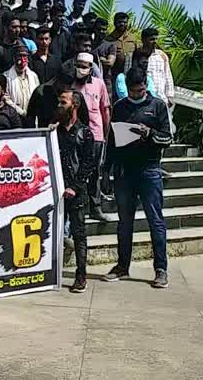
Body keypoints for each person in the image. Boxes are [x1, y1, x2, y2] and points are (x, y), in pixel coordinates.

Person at [103, 67, 172, 288]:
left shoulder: (157, 105)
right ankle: (123, 265)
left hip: (149, 170)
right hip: (124, 171)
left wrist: (150, 134)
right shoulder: (120, 107)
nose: (137, 94)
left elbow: (167, 138)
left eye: (140, 90)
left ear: (146, 86)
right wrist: (106, 171)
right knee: (124, 222)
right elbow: (111, 141)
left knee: (155, 220)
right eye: (133, 91)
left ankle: (160, 268)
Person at [53, 89, 94, 293]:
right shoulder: (54, 131)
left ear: (74, 106)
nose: (59, 106)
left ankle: (81, 276)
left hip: (75, 192)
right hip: (56, 192)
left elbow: (88, 164)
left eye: (63, 102)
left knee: (78, 234)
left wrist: (74, 187)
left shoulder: (85, 133)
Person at [72, 52, 111, 222]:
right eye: (78, 65)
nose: (81, 69)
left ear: (90, 68)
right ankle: (78, 207)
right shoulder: (70, 84)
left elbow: (105, 109)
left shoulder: (99, 84)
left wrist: (105, 133)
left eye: (84, 66)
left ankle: (95, 207)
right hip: (75, 134)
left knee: (94, 171)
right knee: (75, 170)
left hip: (96, 134)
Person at [125, 28, 174, 107]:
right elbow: (126, 76)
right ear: (143, 40)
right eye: (151, 39)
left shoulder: (162, 55)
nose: (155, 42)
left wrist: (169, 96)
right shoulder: (133, 55)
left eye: (156, 39)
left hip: (161, 98)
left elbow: (167, 76)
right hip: (139, 99)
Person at [5, 46, 40, 116]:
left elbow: (37, 96)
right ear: (14, 58)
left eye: (25, 56)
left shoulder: (33, 76)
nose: (22, 59)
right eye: (19, 56)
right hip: (14, 116)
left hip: (31, 116)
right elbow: (6, 99)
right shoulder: (6, 77)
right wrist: (21, 112)